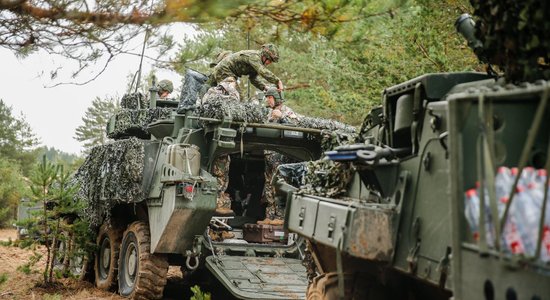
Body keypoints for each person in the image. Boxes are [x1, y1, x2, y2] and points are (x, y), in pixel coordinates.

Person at [259, 87, 299, 225]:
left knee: (279, 185)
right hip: (268, 154)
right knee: (269, 186)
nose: (267, 100)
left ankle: (281, 217)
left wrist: (282, 117)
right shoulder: (267, 112)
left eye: (269, 97)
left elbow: (297, 126)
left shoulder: (287, 111)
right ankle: (270, 217)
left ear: (276, 98)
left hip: (281, 156)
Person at [210, 44, 284, 96]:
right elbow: (263, 71)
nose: (269, 63)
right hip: (224, 70)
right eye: (270, 60)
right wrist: (277, 81)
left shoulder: (257, 64)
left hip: (227, 72)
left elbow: (253, 79)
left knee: (237, 96)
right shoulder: (254, 57)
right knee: (236, 95)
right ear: (265, 56)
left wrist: (264, 87)